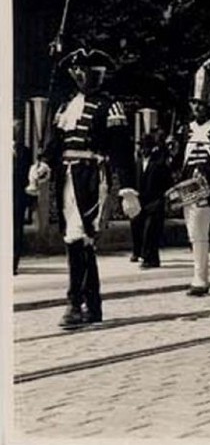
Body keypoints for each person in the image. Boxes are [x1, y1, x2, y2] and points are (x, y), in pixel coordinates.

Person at [29, 47, 141, 327]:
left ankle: (73, 302)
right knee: (76, 239)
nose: (84, 76)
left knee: (81, 236)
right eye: (79, 70)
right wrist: (44, 163)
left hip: (92, 176)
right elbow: (55, 143)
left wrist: (128, 188)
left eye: (90, 71)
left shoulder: (109, 106)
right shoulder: (66, 106)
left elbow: (121, 151)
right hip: (65, 177)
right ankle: (92, 304)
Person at [171, 58, 210, 296]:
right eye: (195, 104)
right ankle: (198, 275)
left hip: (207, 187)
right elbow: (177, 160)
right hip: (187, 189)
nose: (198, 108)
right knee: (193, 233)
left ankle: (201, 279)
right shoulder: (185, 129)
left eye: (202, 104)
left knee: (200, 231)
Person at [130, 133, 172, 269]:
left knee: (151, 230)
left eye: (146, 147)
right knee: (138, 227)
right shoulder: (137, 162)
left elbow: (168, 181)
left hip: (155, 200)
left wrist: (164, 197)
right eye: (142, 147)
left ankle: (149, 258)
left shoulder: (159, 162)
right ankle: (142, 254)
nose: (143, 150)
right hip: (140, 200)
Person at [14, 118, 32, 276]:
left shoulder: (25, 151)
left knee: (16, 231)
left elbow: (28, 177)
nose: (17, 133)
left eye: (19, 130)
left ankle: (13, 263)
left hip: (18, 198)